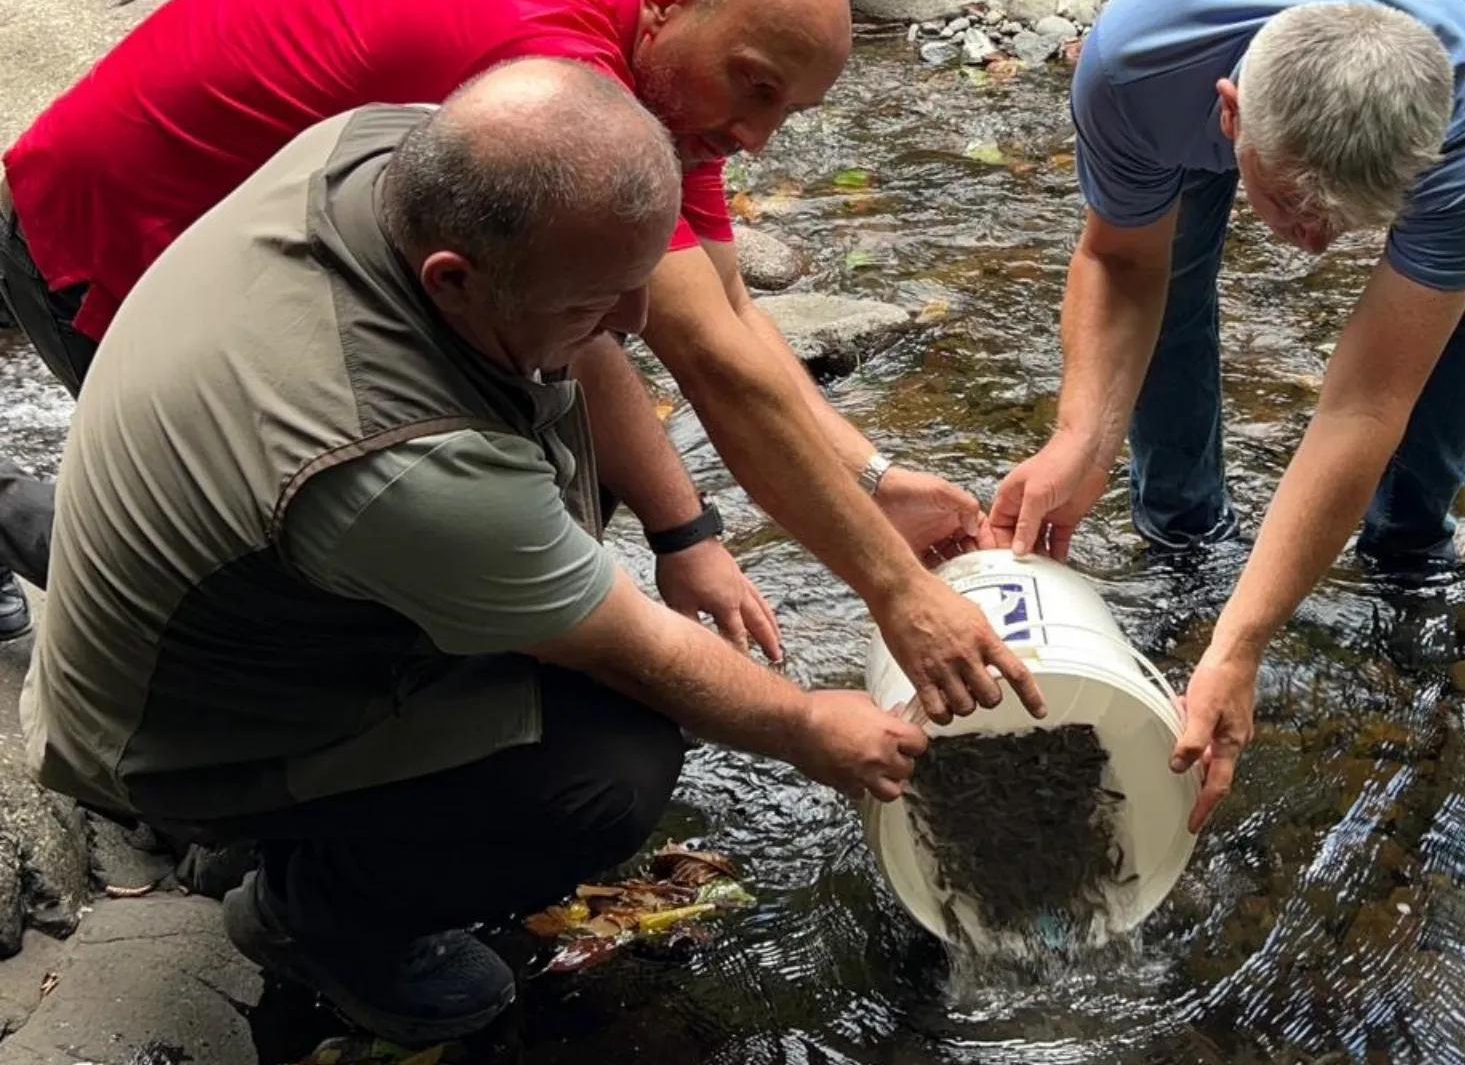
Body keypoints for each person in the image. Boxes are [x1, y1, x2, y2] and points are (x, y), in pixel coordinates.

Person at [21, 57, 943, 1045]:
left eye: (642, 281)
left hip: (200, 563)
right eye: (600, 299)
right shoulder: (398, 463)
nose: (636, 324)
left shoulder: (394, 153)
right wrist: (810, 726)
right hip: (163, 728)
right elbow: (640, 652)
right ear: (452, 283)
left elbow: (587, 348)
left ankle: (279, 821)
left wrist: (687, 535)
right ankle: (312, 914)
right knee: (611, 762)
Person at [0, 0, 1024, 727]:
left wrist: (868, 482)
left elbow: (728, 313)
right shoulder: (552, 73)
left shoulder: (665, 85)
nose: (756, 138)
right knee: (238, 557)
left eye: (785, 114)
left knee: (541, 470)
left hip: (325, 234)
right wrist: (897, 594)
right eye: (753, 91)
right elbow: (701, 357)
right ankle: (253, 820)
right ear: (670, 2)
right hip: (120, 239)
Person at [987, 0, 1465, 829]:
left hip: (1444, 39)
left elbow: (1363, 403)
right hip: (1199, 88)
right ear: (1231, 113)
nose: (1315, 244)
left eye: (1348, 223)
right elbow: (1125, 265)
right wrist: (1080, 441)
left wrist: (1241, 643)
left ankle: (1408, 556)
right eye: (1294, 211)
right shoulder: (1140, 67)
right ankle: (1185, 533)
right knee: (1173, 262)